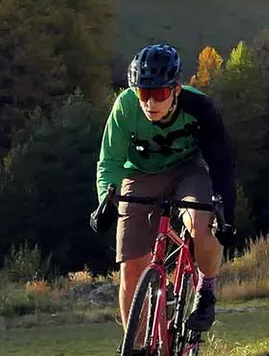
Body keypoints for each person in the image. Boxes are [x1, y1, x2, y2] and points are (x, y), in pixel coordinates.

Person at [89, 44, 237, 333]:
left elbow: (221, 163)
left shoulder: (200, 108)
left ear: (176, 90)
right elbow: (110, 161)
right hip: (140, 173)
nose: (150, 103)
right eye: (144, 93)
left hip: (189, 169)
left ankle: (206, 291)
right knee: (131, 265)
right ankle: (138, 349)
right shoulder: (125, 106)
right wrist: (105, 201)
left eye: (158, 94)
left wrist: (226, 211)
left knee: (200, 226)